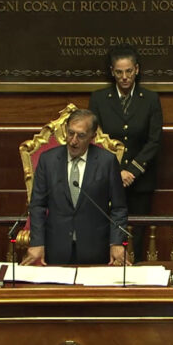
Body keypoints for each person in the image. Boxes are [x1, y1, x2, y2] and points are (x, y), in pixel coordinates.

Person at [21, 109, 128, 266]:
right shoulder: (48, 160)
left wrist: (116, 243)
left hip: (95, 248)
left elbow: (118, 208)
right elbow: (37, 205)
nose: (73, 141)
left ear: (92, 136)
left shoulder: (107, 162)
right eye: (70, 133)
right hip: (56, 248)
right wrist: (37, 242)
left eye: (81, 135)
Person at [89, 44, 163, 261]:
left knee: (137, 232)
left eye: (128, 71)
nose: (124, 77)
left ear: (137, 70)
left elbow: (154, 140)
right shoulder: (99, 99)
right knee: (107, 227)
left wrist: (132, 171)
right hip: (109, 178)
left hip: (140, 180)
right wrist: (117, 172)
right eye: (119, 72)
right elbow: (97, 138)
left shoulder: (150, 99)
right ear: (112, 72)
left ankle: (135, 274)